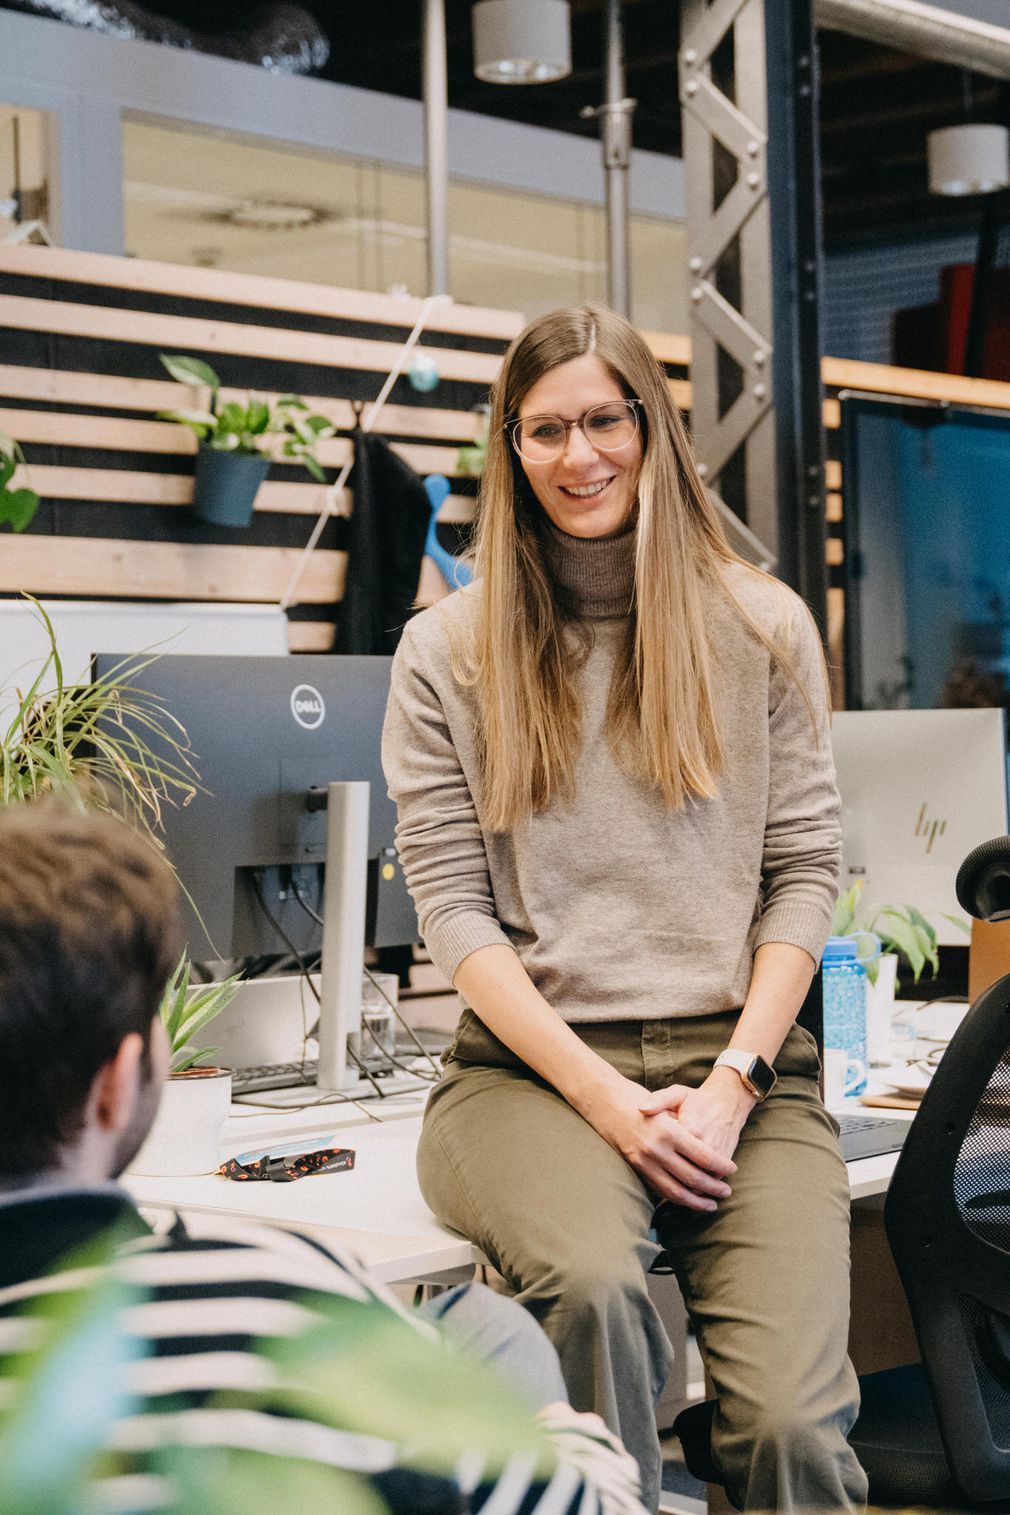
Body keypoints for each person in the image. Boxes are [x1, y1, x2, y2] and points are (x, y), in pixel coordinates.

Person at [382, 305, 869, 1513]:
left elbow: (802, 870)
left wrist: (734, 1083)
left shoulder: (759, 624)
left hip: (741, 1074)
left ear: (651, 429)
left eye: (603, 420)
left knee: (791, 1431)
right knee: (593, 1295)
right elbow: (453, 910)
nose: (577, 455)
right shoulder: (447, 649)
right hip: (527, 1079)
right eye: (544, 429)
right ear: (510, 446)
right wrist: (607, 1102)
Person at [0, 799, 645, 1515]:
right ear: (116, 1087)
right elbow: (598, 1505)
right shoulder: (278, 1297)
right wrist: (564, 1440)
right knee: (492, 1334)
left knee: (477, 1324)